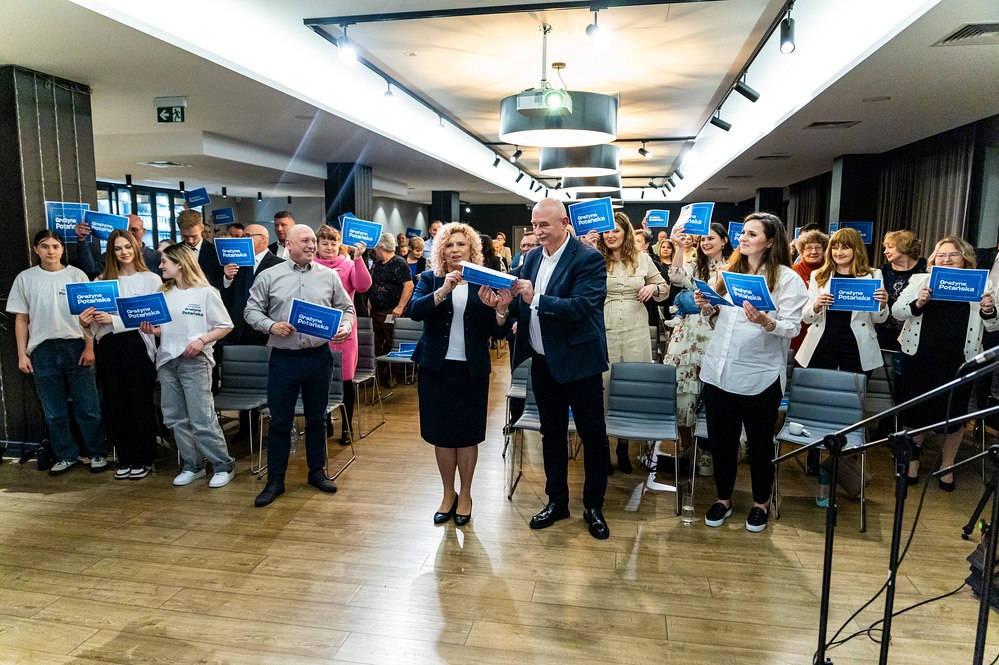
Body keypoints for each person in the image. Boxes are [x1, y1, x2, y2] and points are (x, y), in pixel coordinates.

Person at [694, 212, 808, 533]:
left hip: (760, 375)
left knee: (759, 444)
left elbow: (792, 327)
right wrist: (707, 307)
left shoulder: (787, 279)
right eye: (743, 232)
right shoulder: (728, 272)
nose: (743, 238)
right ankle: (723, 499)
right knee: (722, 441)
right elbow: (717, 319)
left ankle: (760, 504)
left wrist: (766, 321)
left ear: (770, 241)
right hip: (719, 370)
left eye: (752, 234)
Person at [510, 198, 611, 540]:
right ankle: (557, 502)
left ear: (564, 223)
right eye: (534, 225)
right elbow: (521, 303)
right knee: (550, 434)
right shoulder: (531, 257)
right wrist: (504, 306)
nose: (538, 232)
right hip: (543, 362)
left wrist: (535, 298)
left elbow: (582, 307)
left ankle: (593, 506)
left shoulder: (588, 258)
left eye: (544, 225)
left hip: (580, 364)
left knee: (592, 436)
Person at [244, 225, 356, 507]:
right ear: (289, 244)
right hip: (284, 359)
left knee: (317, 420)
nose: (311, 245)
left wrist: (345, 327)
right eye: (305, 240)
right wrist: (271, 325)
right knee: (280, 422)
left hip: (319, 358)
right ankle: (275, 481)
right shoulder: (269, 276)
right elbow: (250, 311)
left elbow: (347, 309)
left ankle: (317, 472)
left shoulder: (329, 276)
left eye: (313, 240)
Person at [410, 223, 512, 526]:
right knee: (442, 436)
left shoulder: (485, 281)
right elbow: (415, 311)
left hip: (471, 370)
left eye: (461, 244)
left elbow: (498, 332)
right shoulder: (430, 279)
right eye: (449, 245)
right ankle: (447, 493)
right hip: (436, 369)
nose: (455, 250)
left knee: (467, 436)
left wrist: (501, 310)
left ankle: (465, 494)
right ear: (441, 251)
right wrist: (443, 291)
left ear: (472, 249)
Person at [893, 236, 998, 491]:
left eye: (953, 255)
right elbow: (897, 311)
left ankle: (947, 465)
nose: (946, 259)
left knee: (955, 415)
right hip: (920, 356)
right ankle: (913, 459)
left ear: (965, 259)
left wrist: (989, 310)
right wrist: (918, 302)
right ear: (934, 259)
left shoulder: (983, 284)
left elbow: (993, 325)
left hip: (960, 360)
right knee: (916, 411)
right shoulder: (920, 280)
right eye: (941, 255)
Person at [7, 230, 106, 475]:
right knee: (54, 412)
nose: (50, 251)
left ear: (62, 249)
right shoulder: (25, 278)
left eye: (55, 246)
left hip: (76, 345)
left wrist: (89, 347)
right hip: (42, 350)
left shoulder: (76, 275)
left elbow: (89, 316)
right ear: (36, 249)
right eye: (45, 246)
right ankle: (66, 455)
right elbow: (21, 319)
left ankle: (96, 452)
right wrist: (22, 354)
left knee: (88, 407)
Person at [140, 243, 235, 488]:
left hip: (196, 362)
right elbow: (167, 329)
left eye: (164, 261)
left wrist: (201, 341)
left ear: (180, 264)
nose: (160, 266)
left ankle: (223, 465)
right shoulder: (163, 293)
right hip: (167, 361)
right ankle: (193, 465)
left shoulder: (206, 292)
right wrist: (153, 330)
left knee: (202, 418)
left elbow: (225, 325)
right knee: (175, 419)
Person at [585, 212, 669, 473]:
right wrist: (586, 249)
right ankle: (603, 447)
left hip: (636, 329)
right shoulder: (594, 258)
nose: (610, 236)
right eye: (607, 231)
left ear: (626, 233)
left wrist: (652, 288)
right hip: (605, 329)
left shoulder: (642, 259)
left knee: (630, 387)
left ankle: (623, 446)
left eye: (616, 231)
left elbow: (664, 288)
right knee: (603, 387)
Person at [79, 229, 162, 479]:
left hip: (138, 345)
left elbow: (153, 317)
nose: (123, 252)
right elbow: (93, 324)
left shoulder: (151, 279)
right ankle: (124, 456)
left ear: (135, 248)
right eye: (117, 248)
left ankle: (144, 458)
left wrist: (115, 320)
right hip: (108, 346)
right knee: (115, 403)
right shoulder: (101, 280)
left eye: (127, 247)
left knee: (139, 402)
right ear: (111, 252)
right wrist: (85, 323)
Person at [665, 221, 733, 474]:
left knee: (713, 394)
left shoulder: (734, 267)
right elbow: (676, 276)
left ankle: (709, 450)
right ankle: (687, 447)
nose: (705, 243)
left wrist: (693, 302)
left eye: (711, 238)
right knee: (684, 390)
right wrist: (680, 247)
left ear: (724, 241)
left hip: (717, 332)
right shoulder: (695, 265)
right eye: (703, 239)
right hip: (688, 336)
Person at [218, 224, 285, 441]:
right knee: (243, 378)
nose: (243, 239)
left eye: (248, 236)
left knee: (268, 378)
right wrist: (227, 279)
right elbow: (226, 297)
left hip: (266, 329)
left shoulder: (279, 264)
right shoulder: (237, 263)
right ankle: (247, 427)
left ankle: (274, 423)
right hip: (240, 329)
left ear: (263, 239)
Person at [796, 228, 888, 374]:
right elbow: (806, 317)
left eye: (845, 248)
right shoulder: (818, 275)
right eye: (834, 248)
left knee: (854, 388)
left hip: (858, 345)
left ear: (856, 249)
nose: (838, 253)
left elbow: (878, 319)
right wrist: (816, 306)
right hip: (823, 343)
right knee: (820, 387)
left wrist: (882, 305)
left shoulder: (873, 275)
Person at [314, 225, 372, 445]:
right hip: (318, 329)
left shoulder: (347, 264)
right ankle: (326, 422)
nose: (329, 247)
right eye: (325, 243)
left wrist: (358, 259)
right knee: (322, 380)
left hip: (344, 330)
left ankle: (347, 427)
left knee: (345, 380)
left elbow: (363, 286)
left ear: (340, 244)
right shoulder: (311, 266)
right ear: (317, 245)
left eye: (333, 243)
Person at [369, 233, 414, 388]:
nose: (374, 249)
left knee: (392, 343)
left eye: (376, 246)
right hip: (375, 311)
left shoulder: (399, 262)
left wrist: (400, 307)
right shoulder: (378, 264)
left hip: (391, 311)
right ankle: (377, 374)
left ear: (381, 247)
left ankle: (391, 374)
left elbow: (409, 286)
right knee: (375, 344)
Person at [70, 214, 162, 278]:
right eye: (125, 230)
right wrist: (81, 240)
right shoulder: (110, 256)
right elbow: (91, 270)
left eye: (134, 230)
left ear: (143, 231)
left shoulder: (157, 258)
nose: (129, 234)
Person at [877, 230, 925, 351]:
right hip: (884, 333)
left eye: (890, 247)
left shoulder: (926, 268)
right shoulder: (882, 271)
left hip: (915, 333)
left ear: (904, 246)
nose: (885, 251)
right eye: (885, 247)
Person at [790, 229, 830, 355]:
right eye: (808, 248)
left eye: (818, 248)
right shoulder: (792, 272)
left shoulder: (831, 271)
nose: (813, 252)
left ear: (824, 250)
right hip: (799, 325)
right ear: (801, 252)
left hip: (823, 326)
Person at [177, 209, 223, 289]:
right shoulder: (174, 252)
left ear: (202, 228)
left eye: (194, 236)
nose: (190, 241)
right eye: (185, 236)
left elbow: (219, 283)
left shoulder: (216, 252)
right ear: (179, 229)